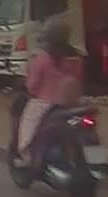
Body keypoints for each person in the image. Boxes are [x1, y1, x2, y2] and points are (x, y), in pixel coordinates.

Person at [15, 17, 84, 167]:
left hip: (45, 103)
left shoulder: (43, 58)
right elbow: (79, 78)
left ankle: (26, 155)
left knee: (28, 123)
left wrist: (28, 89)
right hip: (72, 104)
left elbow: (32, 86)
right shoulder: (76, 57)